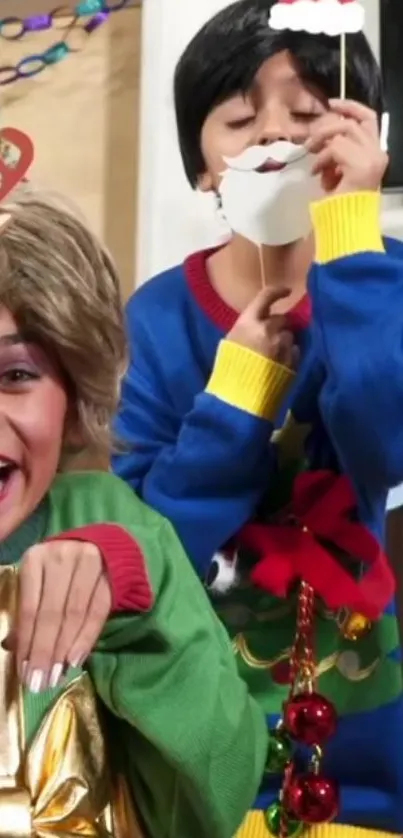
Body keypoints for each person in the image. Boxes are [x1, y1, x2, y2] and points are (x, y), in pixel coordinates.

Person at [112, 0, 403, 835]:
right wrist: (237, 393)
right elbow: (151, 548)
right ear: (202, 165)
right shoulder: (160, 319)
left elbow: (384, 442)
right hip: (200, 736)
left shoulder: (385, 287)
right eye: (240, 118)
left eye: (308, 114)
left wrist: (352, 233)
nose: (276, 137)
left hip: (367, 734)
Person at [0, 184, 270, 838]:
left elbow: (217, 792)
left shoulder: (110, 523)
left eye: (15, 375)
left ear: (73, 399)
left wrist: (138, 600)